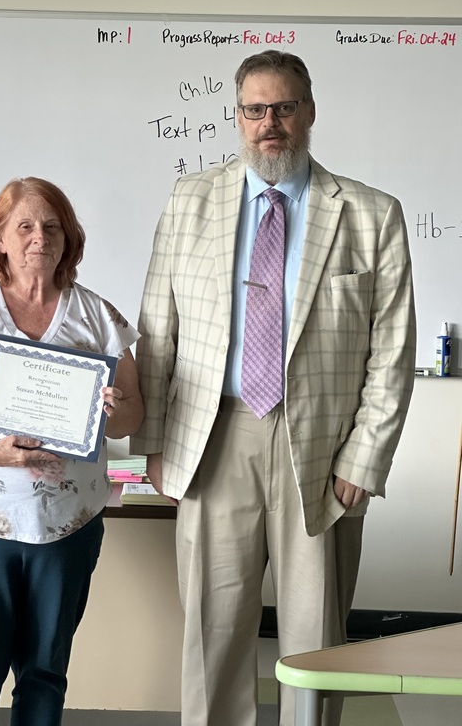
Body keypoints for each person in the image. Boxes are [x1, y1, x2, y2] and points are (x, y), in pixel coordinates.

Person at [130, 50, 416, 726]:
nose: (270, 124)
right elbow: (158, 326)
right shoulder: (189, 201)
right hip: (212, 437)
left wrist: (365, 460)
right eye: (255, 110)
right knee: (213, 628)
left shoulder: (372, 215)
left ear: (308, 112)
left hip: (320, 449)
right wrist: (153, 442)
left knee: (314, 640)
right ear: (237, 118)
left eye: (283, 108)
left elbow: (393, 349)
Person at [0, 176, 144, 726]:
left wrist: (114, 409)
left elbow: (133, 416)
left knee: (44, 674)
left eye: (53, 226)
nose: (41, 237)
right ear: (1, 239)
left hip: (67, 524)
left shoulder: (99, 317)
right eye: (26, 226)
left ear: (69, 238)